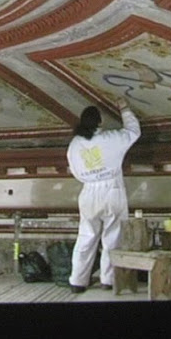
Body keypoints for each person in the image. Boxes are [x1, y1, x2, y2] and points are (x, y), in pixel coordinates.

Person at [66, 97, 141, 293]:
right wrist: (124, 109)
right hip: (112, 191)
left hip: (88, 191)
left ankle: (77, 281)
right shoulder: (111, 138)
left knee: (86, 237)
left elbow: (73, 169)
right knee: (113, 237)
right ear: (100, 122)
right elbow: (133, 131)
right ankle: (108, 280)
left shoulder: (75, 144)